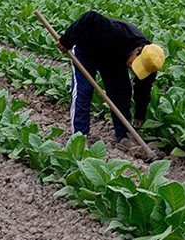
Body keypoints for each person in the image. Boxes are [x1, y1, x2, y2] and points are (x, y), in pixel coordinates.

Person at [56, 10, 165, 151]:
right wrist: (67, 40)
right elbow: (90, 17)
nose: (133, 68)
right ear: (138, 50)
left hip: (114, 59)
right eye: (134, 64)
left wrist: (140, 113)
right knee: (84, 91)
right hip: (87, 50)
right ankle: (79, 138)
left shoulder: (151, 62)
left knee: (122, 93)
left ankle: (123, 136)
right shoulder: (115, 33)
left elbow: (142, 89)